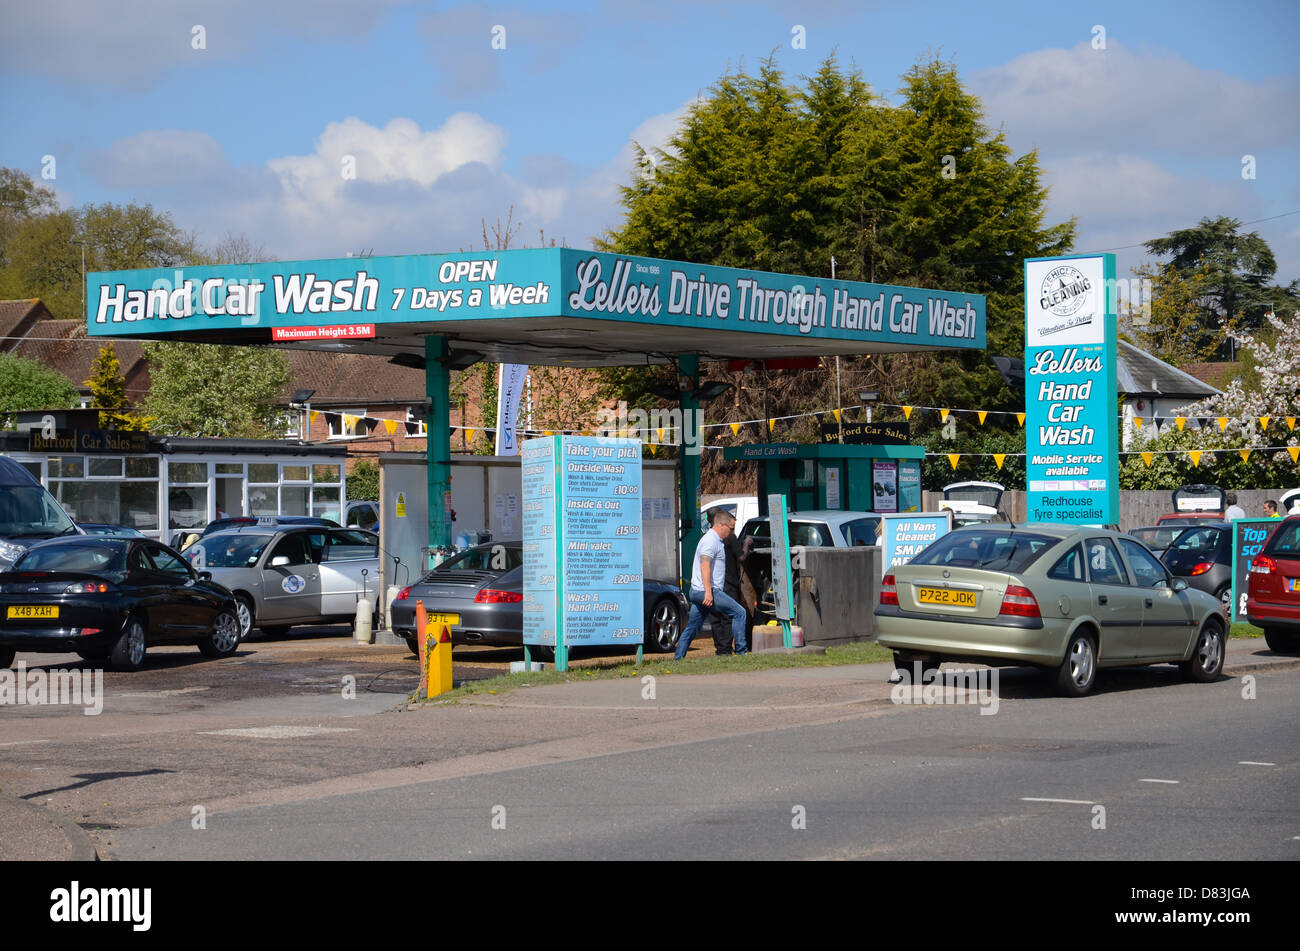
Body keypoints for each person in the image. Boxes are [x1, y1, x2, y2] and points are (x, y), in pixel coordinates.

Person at [674, 509, 748, 659]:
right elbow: (705, 565)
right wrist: (708, 591)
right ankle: (742, 653)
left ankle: (678, 658)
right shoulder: (710, 540)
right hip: (707, 591)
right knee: (739, 613)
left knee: (693, 627)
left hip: (698, 592)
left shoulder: (716, 540)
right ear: (722, 525)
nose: (732, 531)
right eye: (731, 528)